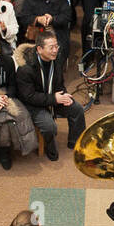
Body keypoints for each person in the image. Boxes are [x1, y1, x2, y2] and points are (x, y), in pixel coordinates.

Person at [17, 29, 85, 161]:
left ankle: (75, 142)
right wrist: (54, 98)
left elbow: (59, 83)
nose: (55, 50)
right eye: (51, 47)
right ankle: (50, 147)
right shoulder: (25, 68)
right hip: (33, 105)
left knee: (77, 109)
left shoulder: (56, 60)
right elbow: (29, 97)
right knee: (49, 126)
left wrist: (64, 96)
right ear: (39, 49)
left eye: (56, 46)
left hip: (52, 98)